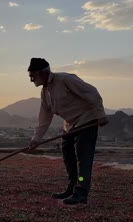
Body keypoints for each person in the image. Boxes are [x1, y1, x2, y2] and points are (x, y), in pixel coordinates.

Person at [27, 58, 109, 205]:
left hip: (86, 121)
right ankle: (72, 188)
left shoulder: (65, 79)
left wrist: (100, 115)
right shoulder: (44, 92)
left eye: (33, 76)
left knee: (82, 159)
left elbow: (91, 92)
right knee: (69, 158)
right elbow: (44, 117)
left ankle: (81, 192)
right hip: (69, 126)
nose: (32, 79)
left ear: (43, 73)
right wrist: (36, 139)